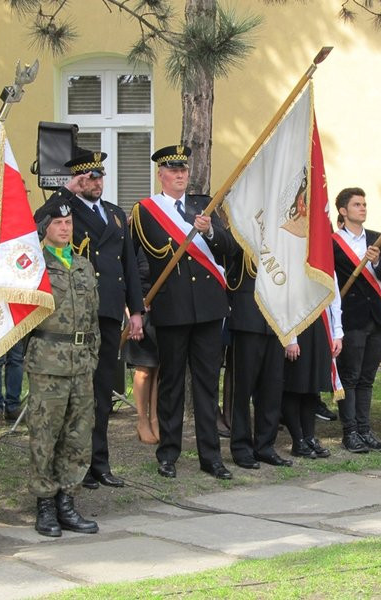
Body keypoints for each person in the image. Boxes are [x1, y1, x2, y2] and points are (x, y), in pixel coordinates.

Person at [131, 144, 235, 480]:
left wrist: (209, 231)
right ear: (161, 175)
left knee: (206, 384)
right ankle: (169, 454)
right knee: (172, 384)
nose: (180, 175)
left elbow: (229, 249)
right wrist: (137, 302)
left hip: (207, 308)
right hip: (171, 309)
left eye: (184, 170)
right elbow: (131, 260)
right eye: (173, 170)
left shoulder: (202, 206)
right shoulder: (144, 211)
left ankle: (211, 457)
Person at [47, 149, 144, 489]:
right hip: (76, 314)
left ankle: (98, 463)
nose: (96, 182)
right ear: (77, 180)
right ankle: (75, 462)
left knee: (102, 390)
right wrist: (65, 191)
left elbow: (128, 266)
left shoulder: (116, 214)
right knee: (77, 393)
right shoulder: (64, 211)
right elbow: (35, 223)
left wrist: (137, 312)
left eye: (99, 176)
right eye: (88, 177)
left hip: (108, 313)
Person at [25, 198, 100, 537]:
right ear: (45, 228)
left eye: (68, 223)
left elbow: (94, 317)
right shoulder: (32, 265)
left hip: (82, 363)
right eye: (58, 222)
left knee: (78, 436)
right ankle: (45, 505)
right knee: (45, 436)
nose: (65, 227)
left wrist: (93, 355)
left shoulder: (83, 265)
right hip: (48, 361)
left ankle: (67, 501)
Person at [333, 187, 381, 453]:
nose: (363, 208)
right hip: (351, 317)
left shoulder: (376, 239)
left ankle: (365, 429)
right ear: (343, 211)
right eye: (357, 204)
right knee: (350, 376)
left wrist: (377, 262)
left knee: (367, 377)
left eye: (364, 204)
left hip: (377, 317)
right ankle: (350, 432)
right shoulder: (332, 242)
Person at [225, 249, 292, 468]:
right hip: (247, 314)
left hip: (275, 316)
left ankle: (265, 446)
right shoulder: (242, 224)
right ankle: (241, 447)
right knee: (242, 388)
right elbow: (228, 248)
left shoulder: (279, 230)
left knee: (271, 387)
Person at [281, 293, 343, 460]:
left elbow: (334, 297)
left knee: (312, 387)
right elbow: (286, 297)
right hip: (297, 326)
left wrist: (337, 333)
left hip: (321, 325)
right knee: (295, 385)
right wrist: (290, 338)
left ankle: (309, 437)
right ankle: (297, 440)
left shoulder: (327, 266)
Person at [125, 245, 160, 445]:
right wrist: (132, 311)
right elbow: (128, 276)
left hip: (163, 310)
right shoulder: (136, 240)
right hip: (141, 310)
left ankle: (155, 418)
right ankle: (142, 420)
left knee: (157, 369)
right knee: (144, 368)